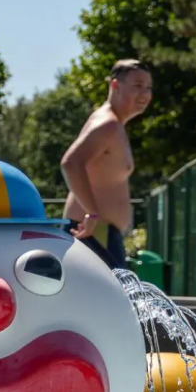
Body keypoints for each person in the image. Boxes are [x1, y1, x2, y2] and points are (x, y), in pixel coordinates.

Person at [60, 59, 153, 271]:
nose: (145, 94)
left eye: (148, 88)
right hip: (93, 231)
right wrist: (92, 214)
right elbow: (71, 163)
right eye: (138, 86)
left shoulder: (115, 124)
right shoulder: (108, 124)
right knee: (112, 302)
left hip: (99, 232)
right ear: (115, 86)